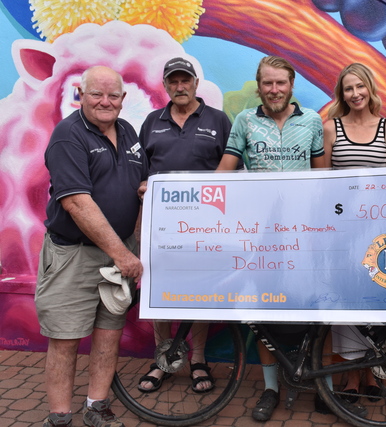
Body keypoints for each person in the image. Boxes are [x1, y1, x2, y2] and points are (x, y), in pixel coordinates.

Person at [35, 66, 148, 427]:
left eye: (113, 95)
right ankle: (60, 415)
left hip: (119, 253)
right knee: (65, 337)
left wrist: (145, 190)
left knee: (109, 333)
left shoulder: (127, 131)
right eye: (96, 94)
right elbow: (76, 202)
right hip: (75, 254)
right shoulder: (68, 136)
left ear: (123, 99)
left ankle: (96, 405)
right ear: (81, 95)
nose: (105, 102)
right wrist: (124, 254)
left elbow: (138, 182)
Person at [216, 56, 327, 421]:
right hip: (259, 236)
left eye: (281, 83)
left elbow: (323, 179)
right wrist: (191, 200)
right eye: (268, 83)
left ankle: (320, 383)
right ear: (259, 85)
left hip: (303, 234)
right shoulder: (244, 121)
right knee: (261, 311)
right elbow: (224, 172)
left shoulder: (312, 121)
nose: (275, 90)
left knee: (314, 307)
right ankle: (270, 389)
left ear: (291, 85)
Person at [136, 57, 241, 394]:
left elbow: (233, 168)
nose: (180, 87)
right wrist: (142, 185)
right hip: (161, 225)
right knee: (160, 288)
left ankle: (198, 359)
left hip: (205, 224)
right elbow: (140, 169)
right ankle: (163, 358)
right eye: (173, 81)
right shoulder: (152, 122)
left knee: (199, 290)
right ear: (166, 86)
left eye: (185, 80)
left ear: (196, 83)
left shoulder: (218, 120)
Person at [323, 62, 386, 402]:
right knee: (345, 305)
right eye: (348, 88)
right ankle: (351, 377)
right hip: (341, 231)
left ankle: (371, 373)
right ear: (341, 94)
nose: (355, 94)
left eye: (360, 86)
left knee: (373, 304)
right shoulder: (331, 128)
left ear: (370, 88)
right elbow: (323, 183)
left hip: (377, 231)